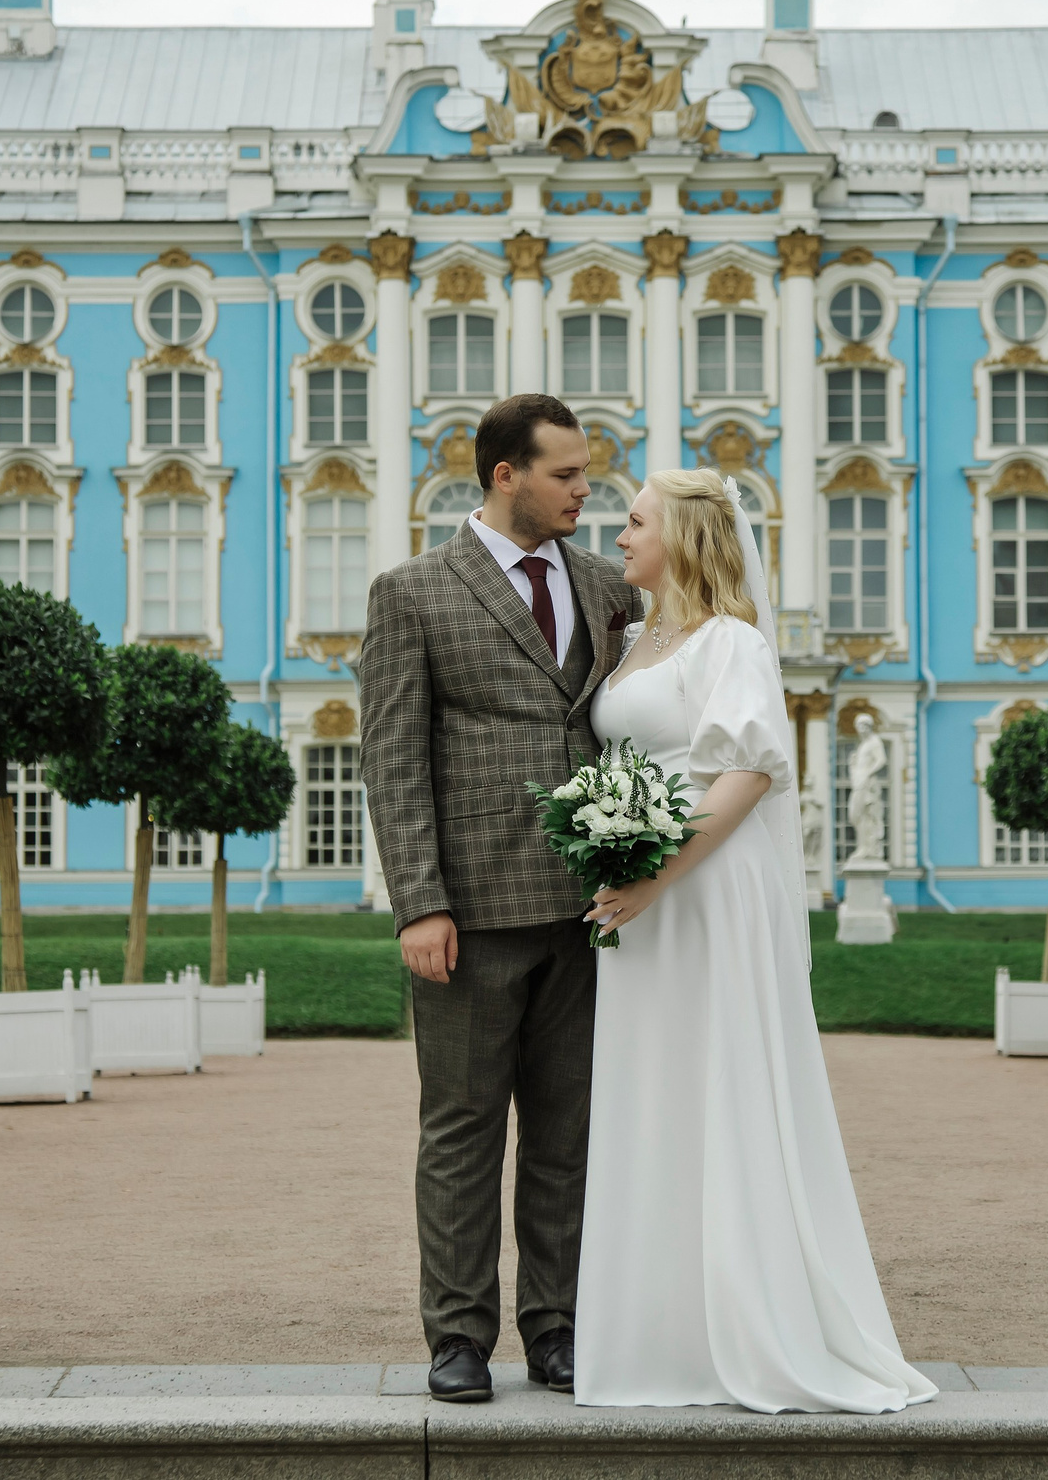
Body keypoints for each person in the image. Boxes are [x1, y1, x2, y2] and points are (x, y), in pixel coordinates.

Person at [575, 468, 934, 1413]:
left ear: (684, 537)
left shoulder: (731, 641)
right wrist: (615, 845)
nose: (619, 534)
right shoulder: (630, 640)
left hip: (702, 888)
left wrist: (656, 871)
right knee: (651, 1092)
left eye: (636, 522)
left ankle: (740, 1327)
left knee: (716, 1083)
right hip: (642, 896)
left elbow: (745, 775)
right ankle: (655, 1331)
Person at [361, 393, 644, 1404]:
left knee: (569, 1134)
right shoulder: (414, 593)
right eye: (566, 475)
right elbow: (392, 758)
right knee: (464, 1130)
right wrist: (418, 903)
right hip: (469, 915)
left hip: (591, 911)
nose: (586, 490)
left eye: (588, 473)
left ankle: (558, 1327)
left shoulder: (614, 589)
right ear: (504, 477)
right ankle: (458, 1338)